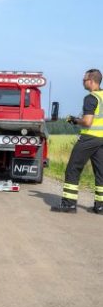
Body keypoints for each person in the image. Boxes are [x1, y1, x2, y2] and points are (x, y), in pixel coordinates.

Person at [52, 69, 103, 214]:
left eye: (84, 80)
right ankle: (100, 206)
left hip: (89, 138)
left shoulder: (91, 98)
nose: (82, 82)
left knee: (73, 169)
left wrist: (74, 120)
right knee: (101, 172)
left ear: (92, 81)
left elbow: (87, 122)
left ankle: (69, 204)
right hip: (102, 139)